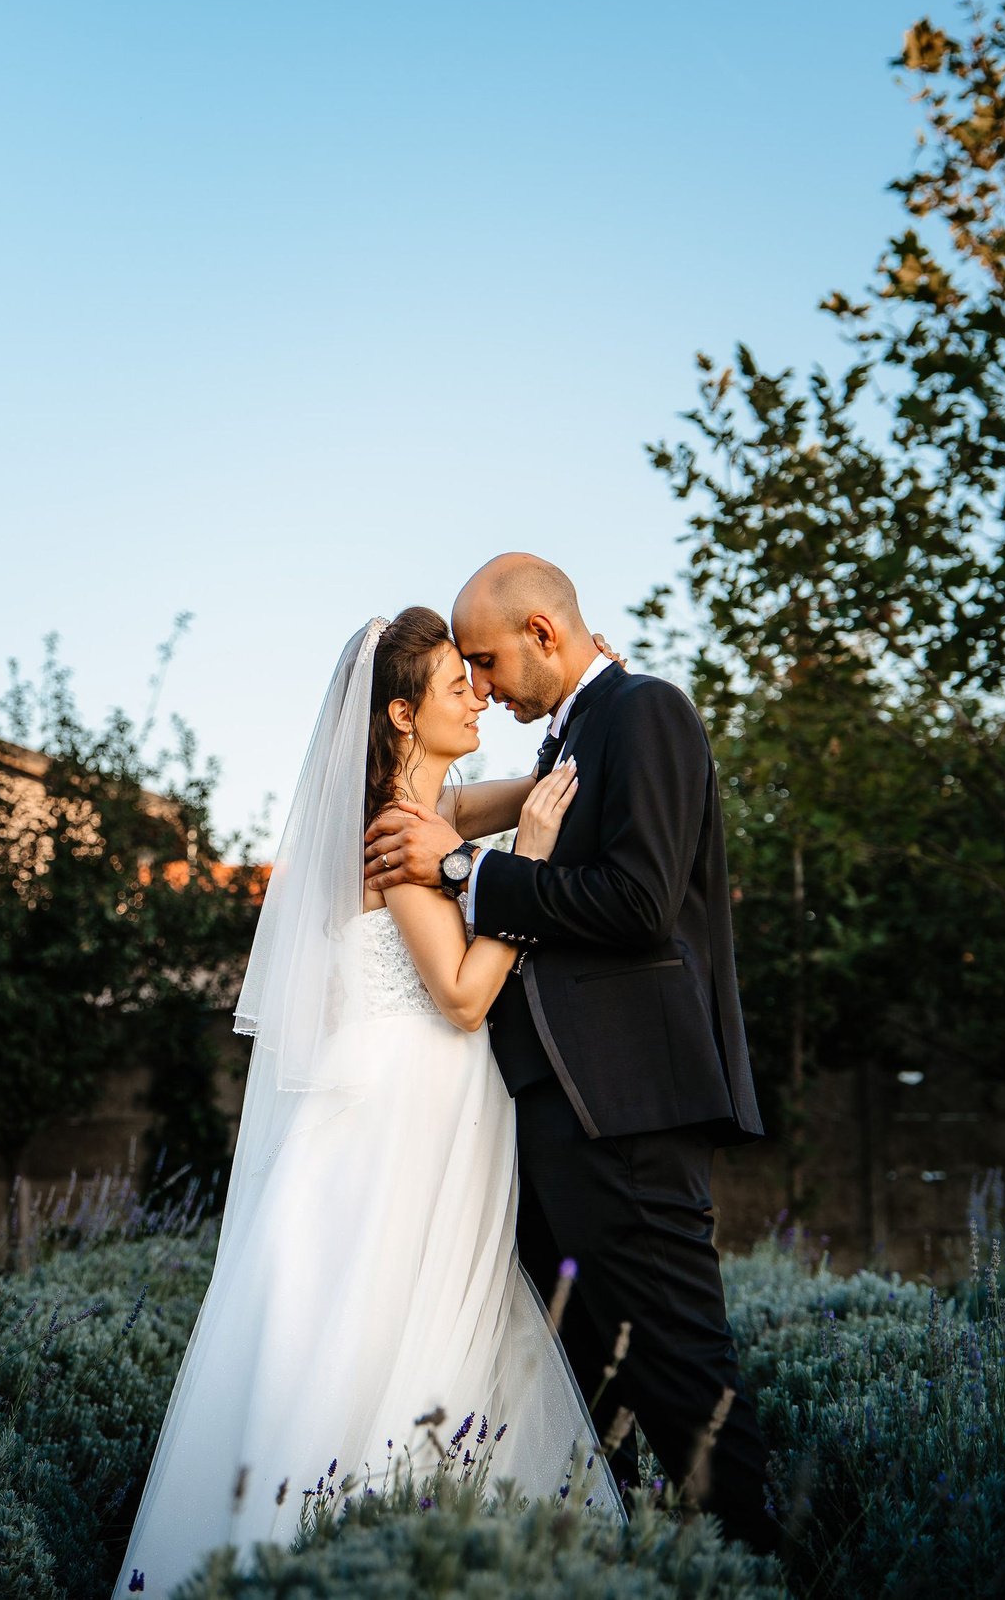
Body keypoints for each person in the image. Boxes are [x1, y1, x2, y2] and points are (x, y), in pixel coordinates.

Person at [116, 608, 613, 1596]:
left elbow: (536, 789)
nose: (478, 694)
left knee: (416, 1324)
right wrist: (528, 867)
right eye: (457, 684)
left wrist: (589, 701)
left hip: (427, 1102)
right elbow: (464, 996)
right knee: (382, 1331)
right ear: (399, 714)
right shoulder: (393, 831)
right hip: (403, 1112)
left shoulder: (430, 807)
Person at [361, 553, 782, 1556]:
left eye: (486, 660)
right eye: (463, 671)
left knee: (682, 1377)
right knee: (601, 1393)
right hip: (557, 1114)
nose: (481, 685)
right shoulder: (574, 733)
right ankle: (646, 1567)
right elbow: (465, 813)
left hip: (624, 1107)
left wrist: (463, 869)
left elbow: (639, 903)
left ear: (543, 634)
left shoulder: (643, 710)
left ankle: (755, 1571)